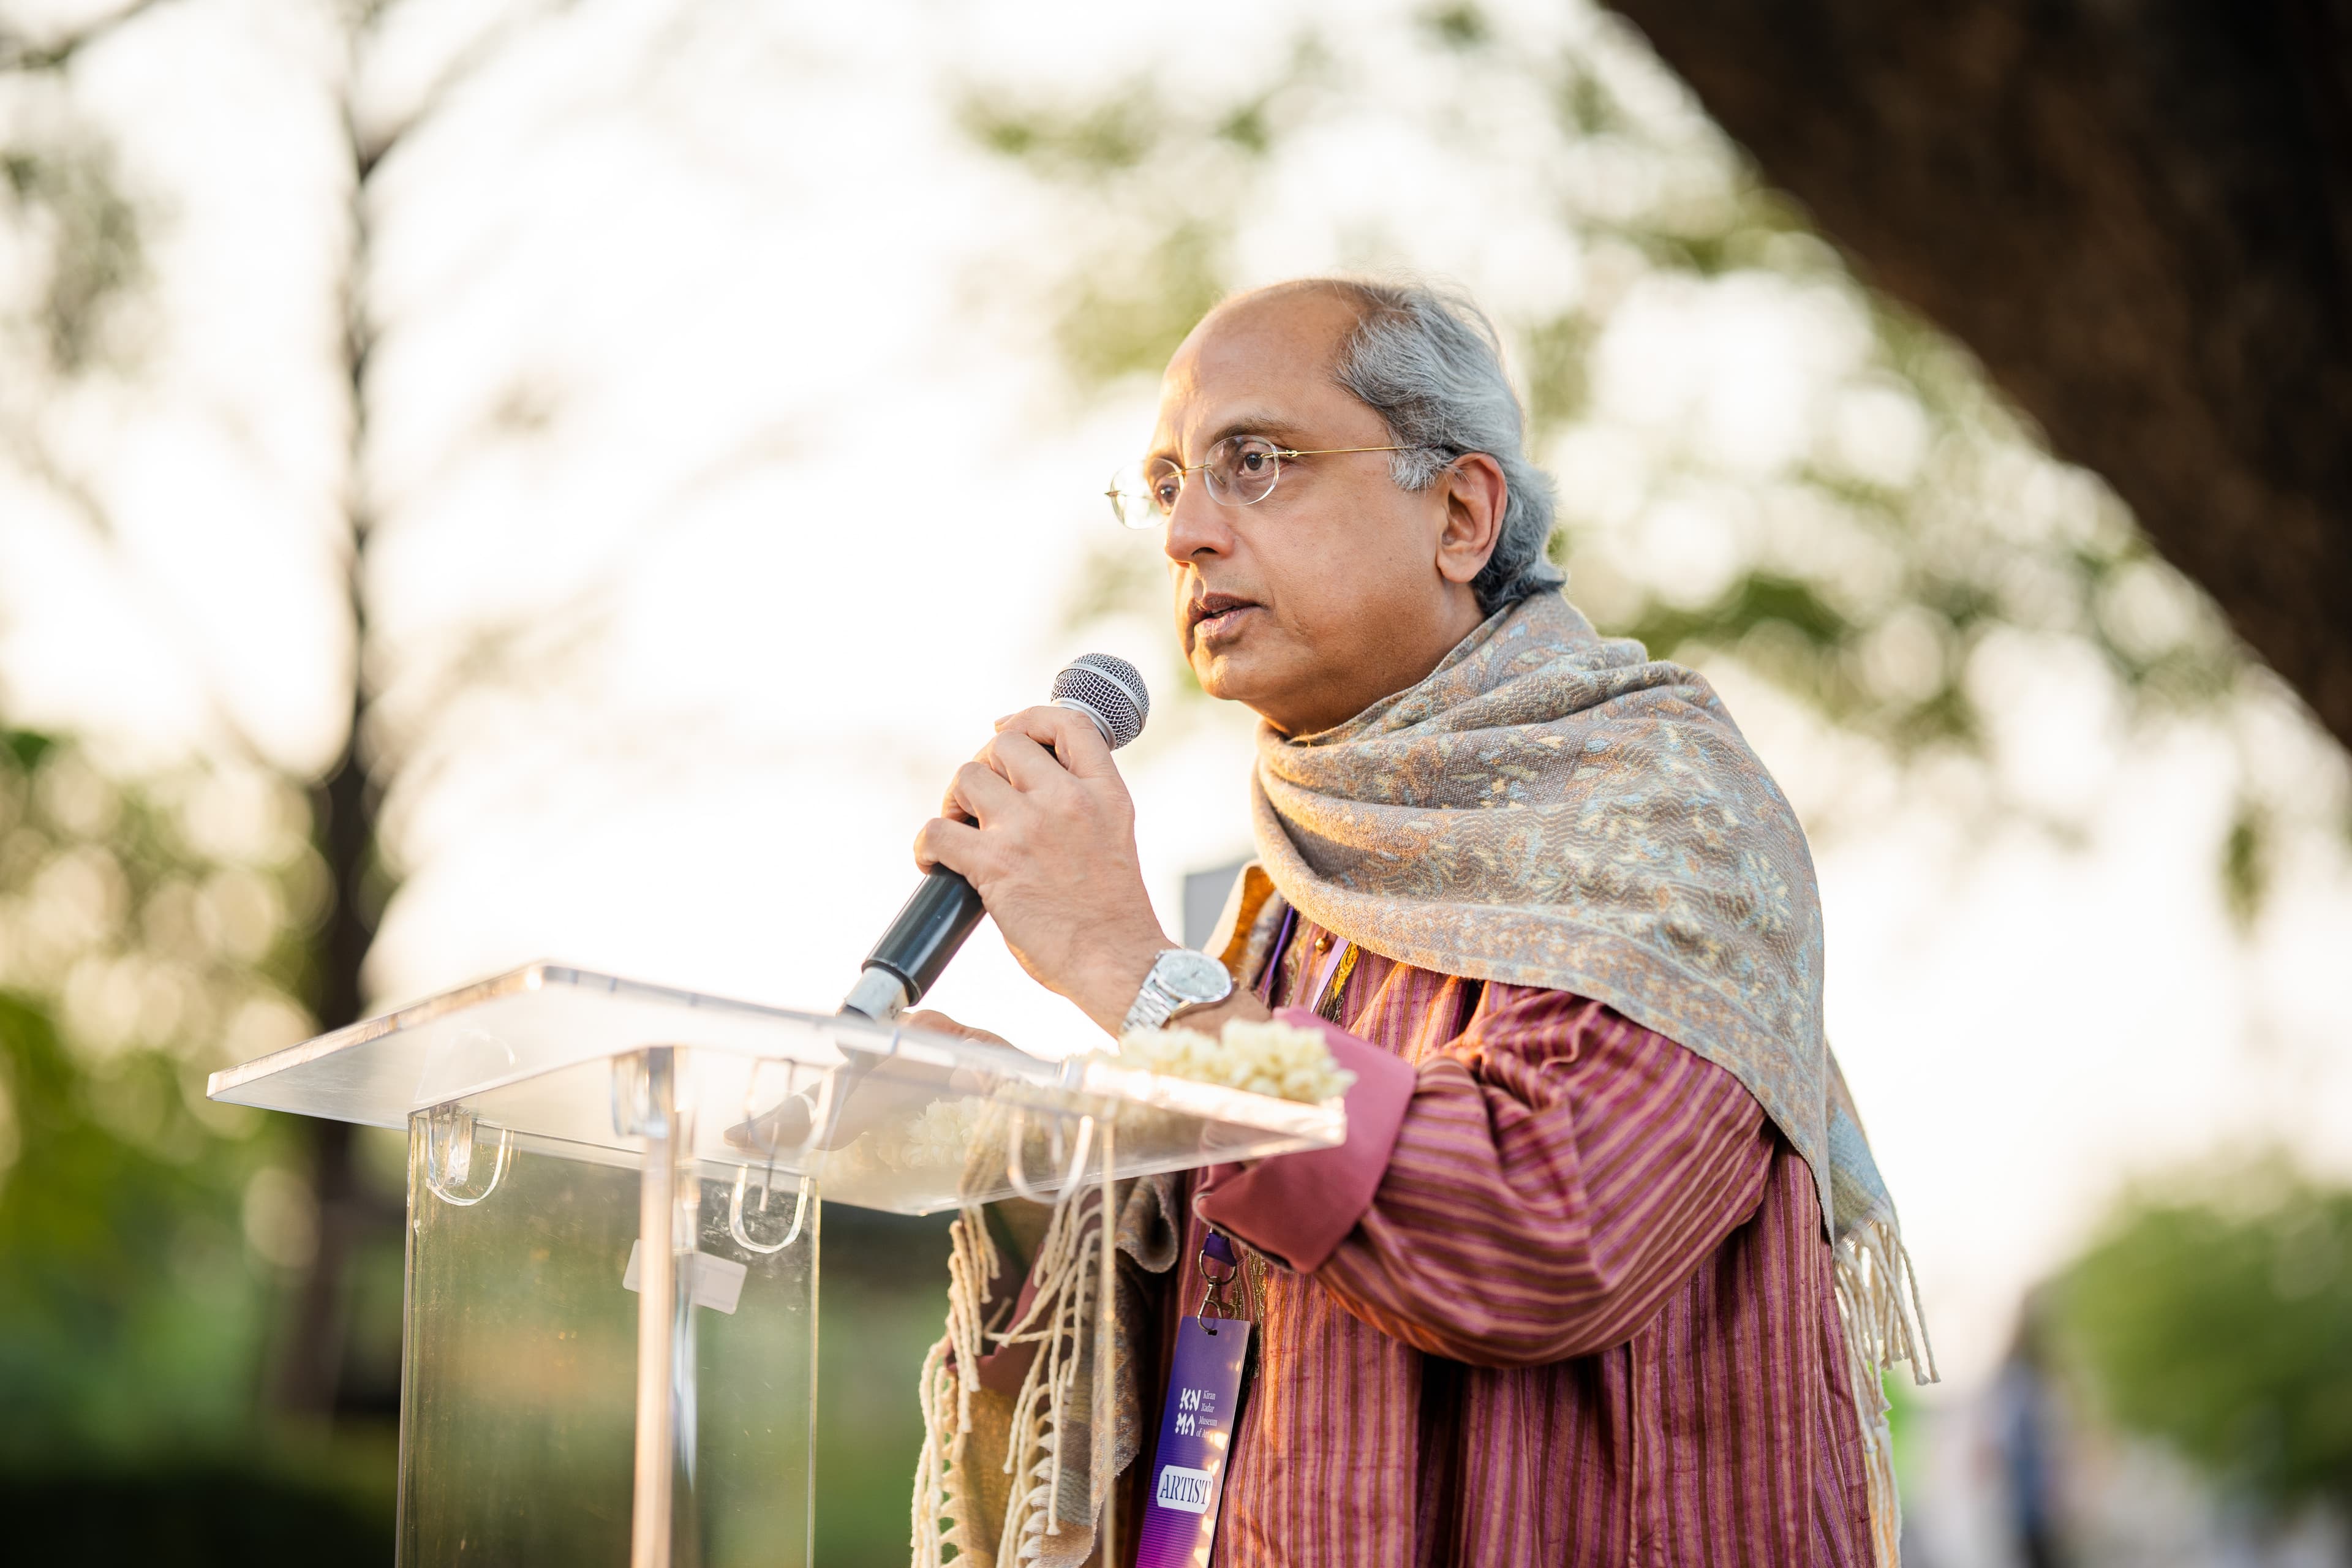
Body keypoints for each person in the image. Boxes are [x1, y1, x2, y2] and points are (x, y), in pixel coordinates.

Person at [902, 277, 1933, 1567]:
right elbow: (1251, 1267)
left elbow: (1549, 1218)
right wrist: (1030, 1130)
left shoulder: (1661, 807)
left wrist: (1130, 970)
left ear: (1459, 512)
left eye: (1255, 462)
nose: (1186, 535)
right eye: (1169, 483)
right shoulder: (1289, 880)